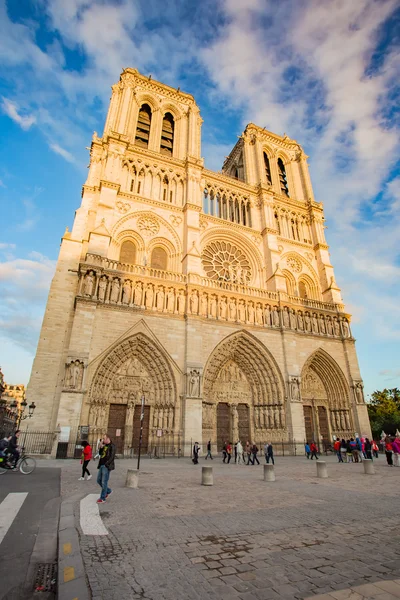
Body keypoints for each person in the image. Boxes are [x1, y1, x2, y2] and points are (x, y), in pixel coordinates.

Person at [96, 434, 116, 504]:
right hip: (101, 465)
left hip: (106, 466)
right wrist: (101, 447)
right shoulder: (104, 446)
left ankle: (102, 498)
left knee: (104, 482)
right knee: (98, 480)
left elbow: (112, 457)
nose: (103, 440)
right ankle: (108, 491)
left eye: (104, 439)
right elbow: (100, 453)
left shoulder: (112, 446)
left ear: (108, 439)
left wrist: (106, 464)